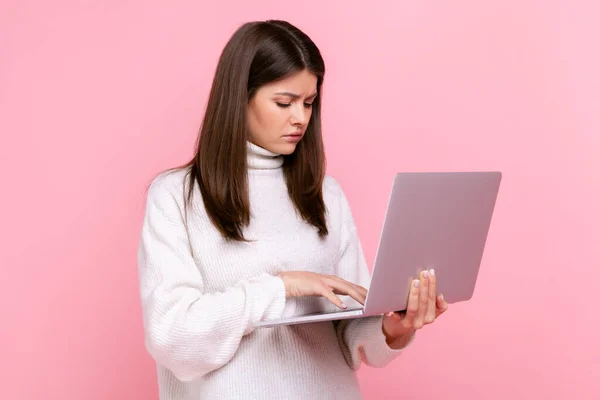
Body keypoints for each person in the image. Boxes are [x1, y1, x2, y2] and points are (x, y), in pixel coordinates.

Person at [137, 19, 448, 400]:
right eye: (284, 103)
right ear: (240, 98)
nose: (300, 118)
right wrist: (281, 287)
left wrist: (393, 329)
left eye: (309, 103)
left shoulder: (325, 195)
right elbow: (172, 337)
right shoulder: (175, 197)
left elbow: (350, 330)